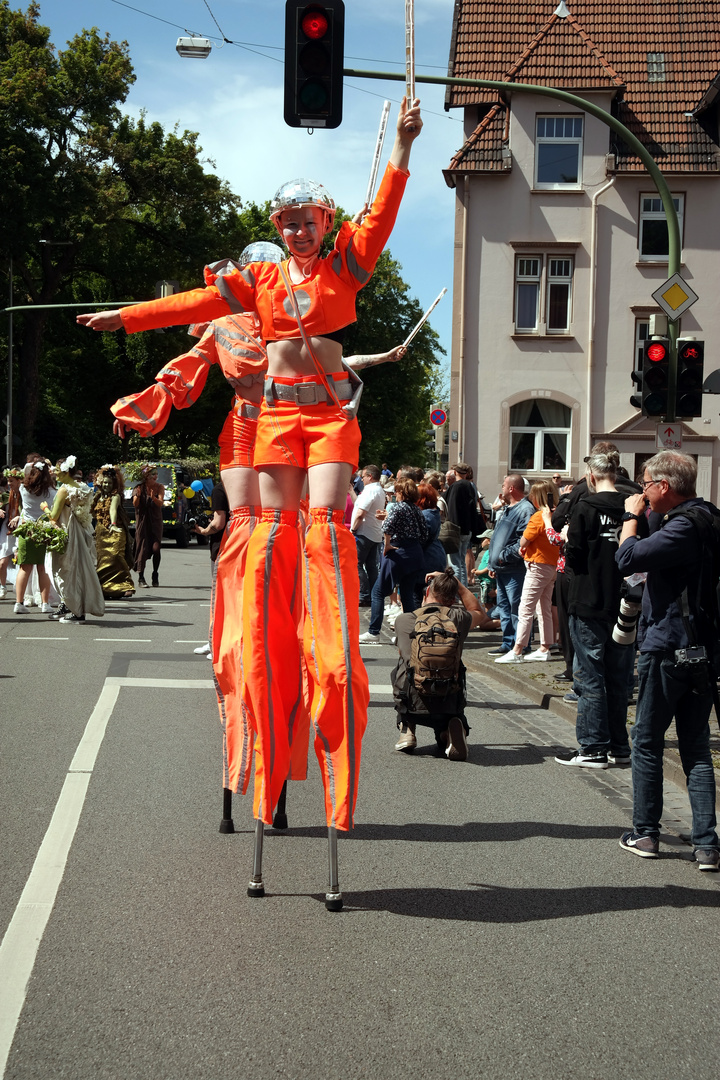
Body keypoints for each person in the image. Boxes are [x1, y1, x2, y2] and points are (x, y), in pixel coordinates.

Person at [78, 97, 423, 845]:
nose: (299, 230)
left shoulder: (346, 267)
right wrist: (126, 318)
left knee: (325, 526)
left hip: (327, 418)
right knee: (270, 530)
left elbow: (386, 212)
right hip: (272, 423)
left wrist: (399, 146)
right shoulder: (259, 290)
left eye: (309, 219)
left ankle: (326, 625)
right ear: (277, 230)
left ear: (326, 222)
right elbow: (197, 307)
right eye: (288, 222)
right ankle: (271, 613)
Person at [616, 451, 719, 868]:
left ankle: (645, 833)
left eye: (646, 484)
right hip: (705, 646)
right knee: (695, 744)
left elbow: (627, 559)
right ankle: (707, 844)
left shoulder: (684, 528)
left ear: (664, 486)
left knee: (646, 740)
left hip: (670, 645)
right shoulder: (707, 517)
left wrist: (631, 518)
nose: (641, 492)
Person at [554, 450, 633, 768]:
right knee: (618, 676)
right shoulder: (633, 505)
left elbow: (573, 555)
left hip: (588, 598)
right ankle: (620, 747)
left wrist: (563, 537)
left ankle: (593, 748)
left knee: (590, 676)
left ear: (590, 477)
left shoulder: (585, 505)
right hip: (624, 602)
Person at [391, 568, 487, 760]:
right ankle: (448, 731)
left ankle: (407, 728)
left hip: (414, 701)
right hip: (449, 699)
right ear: (453, 601)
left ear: (427, 592)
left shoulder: (404, 620)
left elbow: (405, 654)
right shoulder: (458, 618)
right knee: (449, 713)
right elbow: (478, 612)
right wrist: (457, 584)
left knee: (400, 666)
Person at [495, 479, 560, 663]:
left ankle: (517, 650)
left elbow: (523, 541)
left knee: (525, 609)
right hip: (552, 566)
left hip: (538, 566)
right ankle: (545, 647)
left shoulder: (539, 516)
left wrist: (525, 546)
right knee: (543, 608)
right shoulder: (557, 514)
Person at [47, 456, 105, 624]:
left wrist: (44, 507)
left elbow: (54, 515)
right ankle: (68, 604)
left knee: (64, 571)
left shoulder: (64, 490)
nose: (55, 473)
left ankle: (76, 610)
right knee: (79, 569)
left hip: (68, 533)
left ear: (65, 472)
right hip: (83, 531)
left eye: (57, 471)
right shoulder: (85, 488)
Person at [486, 474, 533, 656]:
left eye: (504, 485)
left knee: (516, 607)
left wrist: (502, 557)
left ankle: (521, 644)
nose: (502, 489)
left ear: (512, 488)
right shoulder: (508, 509)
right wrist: (493, 563)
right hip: (502, 568)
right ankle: (508, 642)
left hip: (514, 569)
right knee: (504, 607)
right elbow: (499, 538)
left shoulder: (525, 510)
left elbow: (524, 541)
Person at [10, 460, 56, 614]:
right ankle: (45, 604)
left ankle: (19, 603)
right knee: (43, 568)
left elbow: (23, 471)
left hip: (26, 531)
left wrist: (31, 466)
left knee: (24, 568)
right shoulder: (52, 492)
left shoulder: (23, 489)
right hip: (44, 531)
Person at [92, 465, 135, 599]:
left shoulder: (115, 496)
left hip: (115, 530)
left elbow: (113, 510)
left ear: (114, 484)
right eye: (104, 482)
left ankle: (124, 585)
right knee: (103, 560)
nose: (106, 485)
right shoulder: (98, 495)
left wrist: (113, 524)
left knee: (116, 556)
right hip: (101, 532)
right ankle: (105, 588)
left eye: (109, 483)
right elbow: (90, 510)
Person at [350, 464, 386, 606]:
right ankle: (372, 594)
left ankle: (365, 595)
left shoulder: (370, 491)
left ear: (370, 476)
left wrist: (353, 529)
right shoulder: (379, 490)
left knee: (356, 564)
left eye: (363, 476)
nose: (362, 479)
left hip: (364, 533)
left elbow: (360, 513)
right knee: (371, 566)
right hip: (374, 533)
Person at [132, 464, 165, 588]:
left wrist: (153, 498)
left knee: (156, 549)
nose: (155, 476)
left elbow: (160, 503)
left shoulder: (159, 487)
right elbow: (135, 504)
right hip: (142, 522)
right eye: (153, 474)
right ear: (146, 476)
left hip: (155, 521)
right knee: (142, 548)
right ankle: (141, 578)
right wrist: (139, 495)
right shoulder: (138, 488)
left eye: (156, 474)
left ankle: (155, 573)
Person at [445, 462, 476, 585]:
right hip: (467, 529)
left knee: (455, 563)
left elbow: (451, 508)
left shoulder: (456, 487)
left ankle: (458, 592)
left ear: (455, 472)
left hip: (456, 529)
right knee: (462, 562)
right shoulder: (471, 486)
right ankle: (464, 591)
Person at [0, 467, 22, 599]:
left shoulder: (25, 494)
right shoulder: (5, 494)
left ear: (19, 481)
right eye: (8, 481)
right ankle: (2, 586)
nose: (9, 483)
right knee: (2, 562)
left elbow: (29, 511)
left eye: (12, 481)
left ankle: (23, 590)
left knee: (22, 562)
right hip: (7, 528)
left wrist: (19, 517)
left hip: (21, 529)